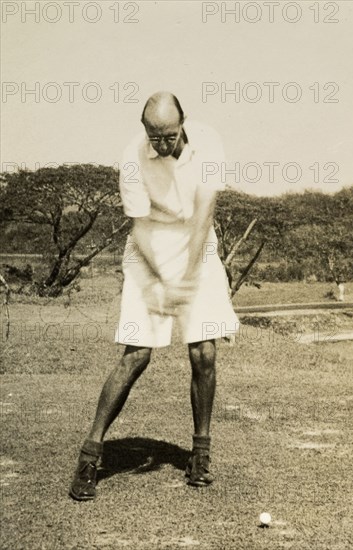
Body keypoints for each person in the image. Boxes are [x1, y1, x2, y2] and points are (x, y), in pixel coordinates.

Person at [69, 92, 239, 501]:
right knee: (137, 354)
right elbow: (140, 228)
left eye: (168, 135)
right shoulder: (132, 158)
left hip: (197, 244)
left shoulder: (209, 142)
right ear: (143, 129)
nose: (161, 144)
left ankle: (200, 454)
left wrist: (187, 276)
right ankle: (90, 456)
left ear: (184, 123)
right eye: (153, 136)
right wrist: (163, 280)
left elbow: (203, 213)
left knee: (204, 352)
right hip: (148, 250)